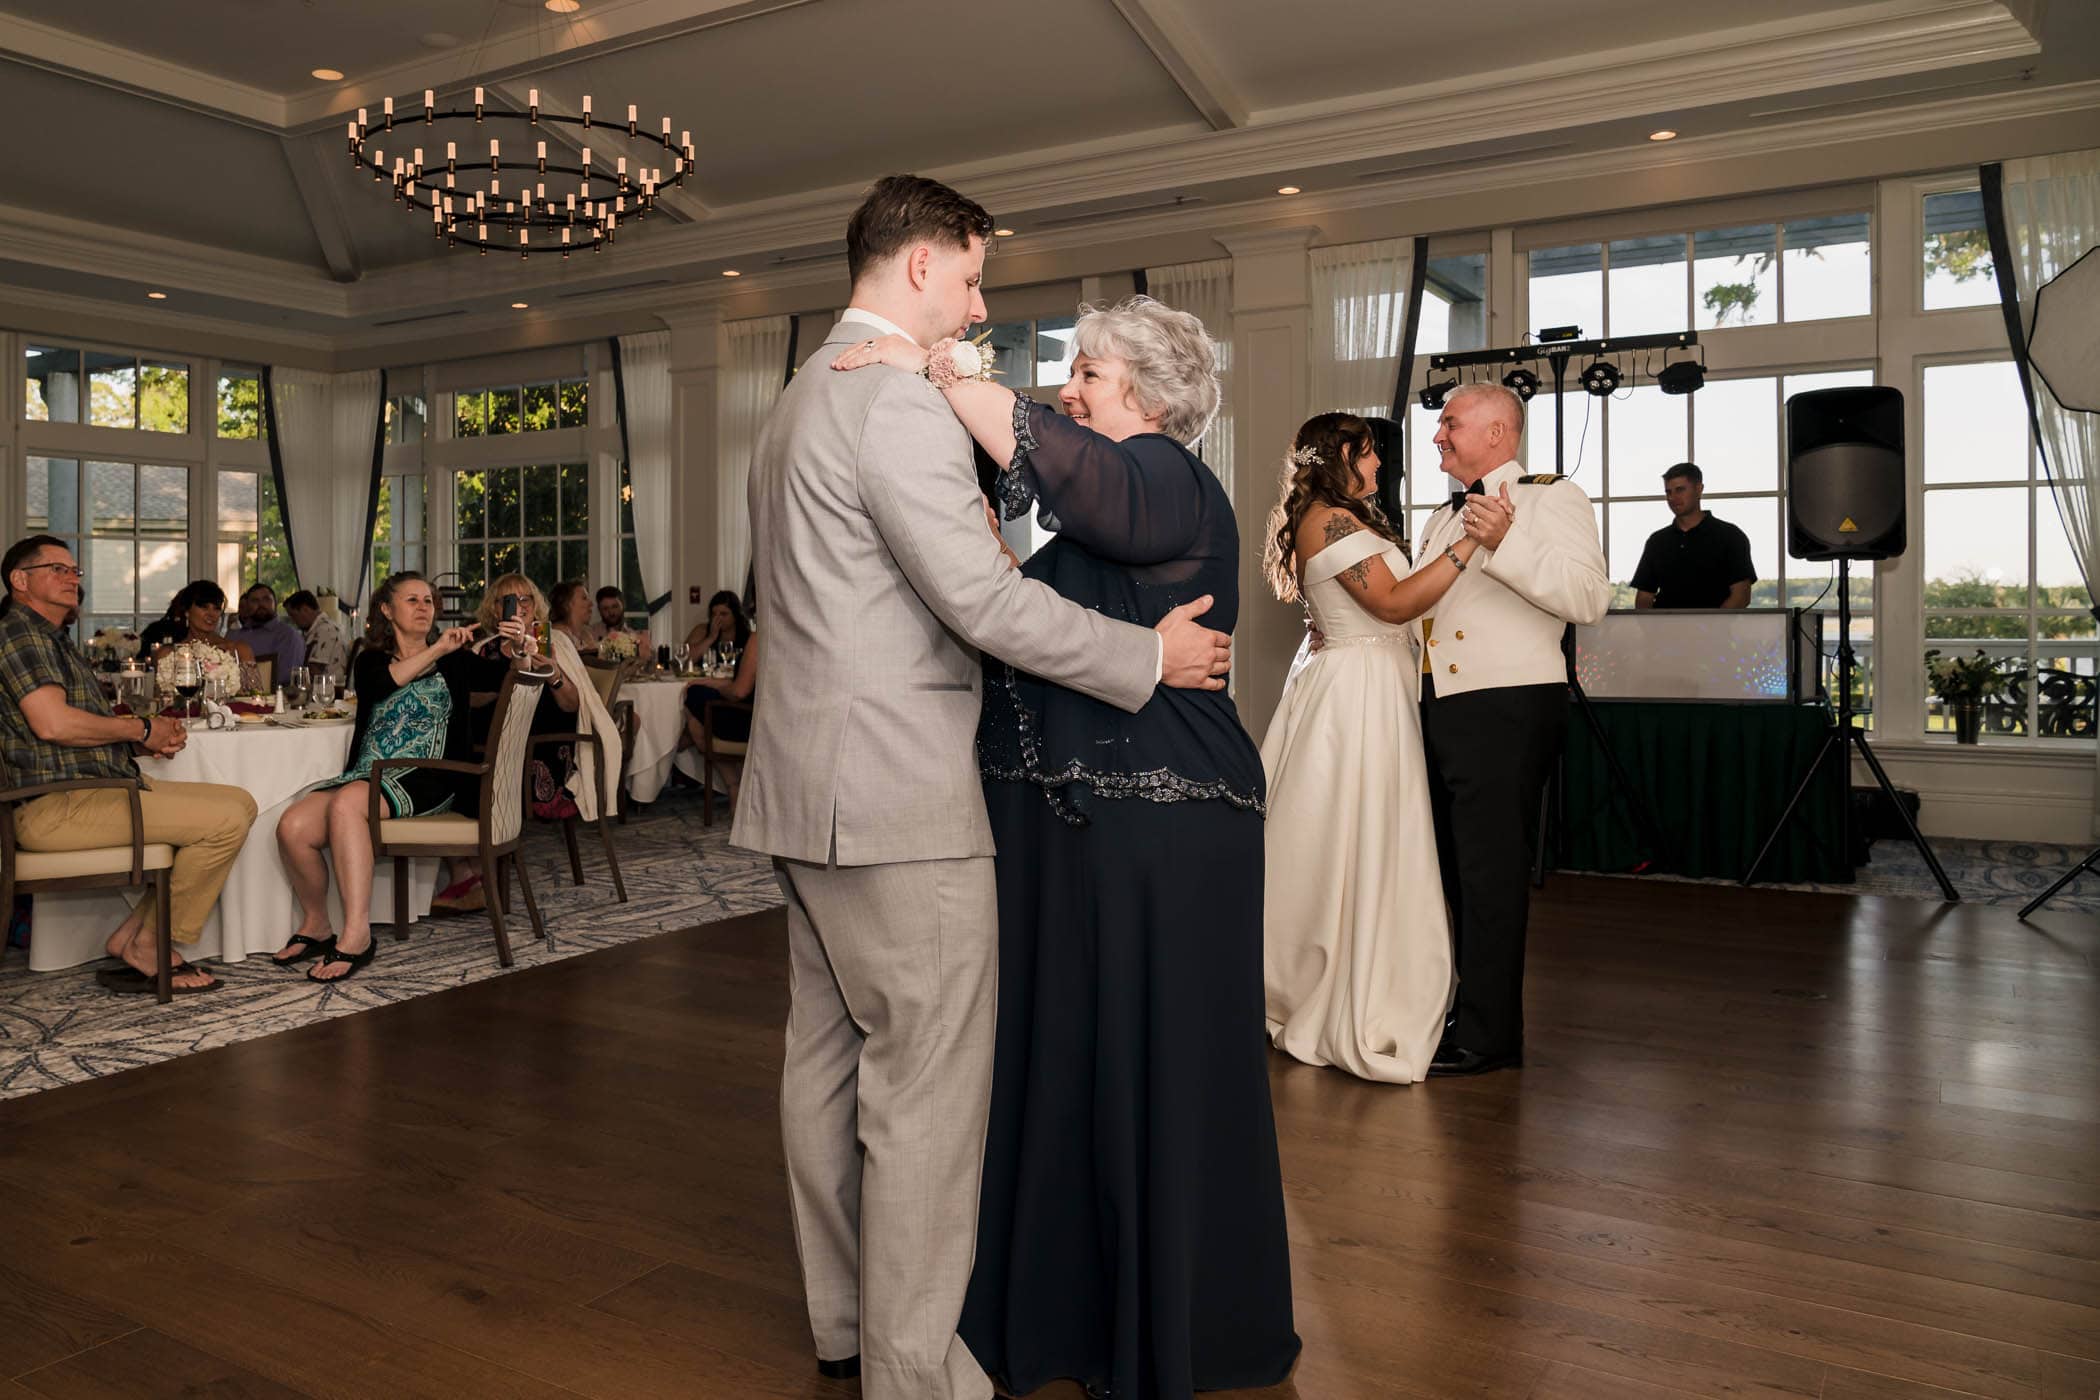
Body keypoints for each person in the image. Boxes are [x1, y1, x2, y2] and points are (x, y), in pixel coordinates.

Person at [734, 174, 1232, 1400]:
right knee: (925, 1095)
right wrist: (1146, 658)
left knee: (827, 1065)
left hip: (801, 785)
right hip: (896, 795)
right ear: (918, 268)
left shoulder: (799, 398)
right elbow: (984, 603)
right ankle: (916, 1372)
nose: (978, 300)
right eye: (969, 276)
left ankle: (848, 1322)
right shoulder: (892, 402)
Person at [836, 294, 1299, 1399]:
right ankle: (1052, 1320)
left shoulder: (1169, 480)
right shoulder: (1092, 519)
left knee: (1147, 1074)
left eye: (1087, 372)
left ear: (1142, 389)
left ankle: (1166, 1330)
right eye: (1072, 373)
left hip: (1163, 832)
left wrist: (946, 373)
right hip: (1065, 835)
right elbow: (1012, 612)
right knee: (1062, 1072)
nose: (1067, 390)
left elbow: (1076, 469)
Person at [1260, 412, 1507, 1083]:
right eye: (1370, 455)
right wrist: (1471, 548)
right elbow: (1395, 604)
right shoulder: (1328, 521)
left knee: (1363, 838)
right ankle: (1325, 982)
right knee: (1347, 836)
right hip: (1356, 694)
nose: (1380, 466)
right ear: (1345, 454)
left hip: (1371, 681)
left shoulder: (1343, 515)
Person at [1416, 383, 1610, 1075]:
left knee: (1491, 874)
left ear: (1499, 432)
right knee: (1453, 870)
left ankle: (1489, 1035)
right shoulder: (1440, 519)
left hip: (1507, 704)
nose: (1438, 434)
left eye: (1451, 422)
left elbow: (1589, 598)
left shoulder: (1549, 497)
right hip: (1442, 704)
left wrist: (1508, 540)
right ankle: (1464, 1009)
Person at [0, 535, 257, 994]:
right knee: (227, 818)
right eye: (57, 570)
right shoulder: (19, 634)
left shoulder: (49, 637)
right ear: (20, 580)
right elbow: (53, 724)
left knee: (239, 801)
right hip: (54, 808)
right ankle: (149, 943)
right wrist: (138, 730)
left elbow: (72, 729)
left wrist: (140, 744)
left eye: (75, 571)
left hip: (93, 788)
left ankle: (134, 937)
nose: (72, 579)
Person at [269, 572, 530, 983]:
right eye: (413, 600)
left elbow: (504, 680)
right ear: (387, 611)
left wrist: (517, 650)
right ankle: (318, 922)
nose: (424, 607)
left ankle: (357, 935)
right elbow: (384, 685)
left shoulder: (457, 659)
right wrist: (439, 649)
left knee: (349, 802)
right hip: (371, 771)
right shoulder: (371, 660)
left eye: (428, 601)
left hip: (433, 775)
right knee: (292, 826)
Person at [1632, 462, 1757, 609]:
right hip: (1665, 629)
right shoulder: (1657, 541)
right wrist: (1653, 628)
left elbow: (1741, 596)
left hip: (1716, 630)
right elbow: (1644, 597)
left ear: (1699, 489)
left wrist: (1713, 627)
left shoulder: (1730, 536)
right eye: (1668, 492)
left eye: (1680, 490)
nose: (1673, 498)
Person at [147, 581, 255, 669]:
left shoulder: (239, 650)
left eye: (216, 608)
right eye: (204, 607)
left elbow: (254, 694)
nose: (211, 614)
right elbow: (163, 695)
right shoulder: (169, 655)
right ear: (187, 612)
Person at [682, 630, 758, 748]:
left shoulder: (758, 637)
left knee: (693, 694)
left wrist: (720, 690)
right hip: (763, 716)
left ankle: (684, 743)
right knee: (697, 692)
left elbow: (739, 692)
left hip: (748, 720)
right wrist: (711, 683)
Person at [228, 583, 306, 681]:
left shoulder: (288, 636)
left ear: (275, 603)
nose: (261, 604)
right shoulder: (233, 635)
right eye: (255, 601)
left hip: (272, 694)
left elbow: (285, 679)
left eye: (266, 599)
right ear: (247, 606)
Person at [283, 590, 348, 685]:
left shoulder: (325, 630)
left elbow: (314, 672)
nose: (293, 621)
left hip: (326, 692)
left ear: (305, 609)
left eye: (293, 615)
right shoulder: (322, 628)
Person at [682, 589, 750, 664]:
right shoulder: (702, 630)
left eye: (723, 614)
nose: (717, 619)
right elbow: (683, 660)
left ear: (736, 615)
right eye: (714, 614)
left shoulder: (747, 637)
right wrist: (711, 637)